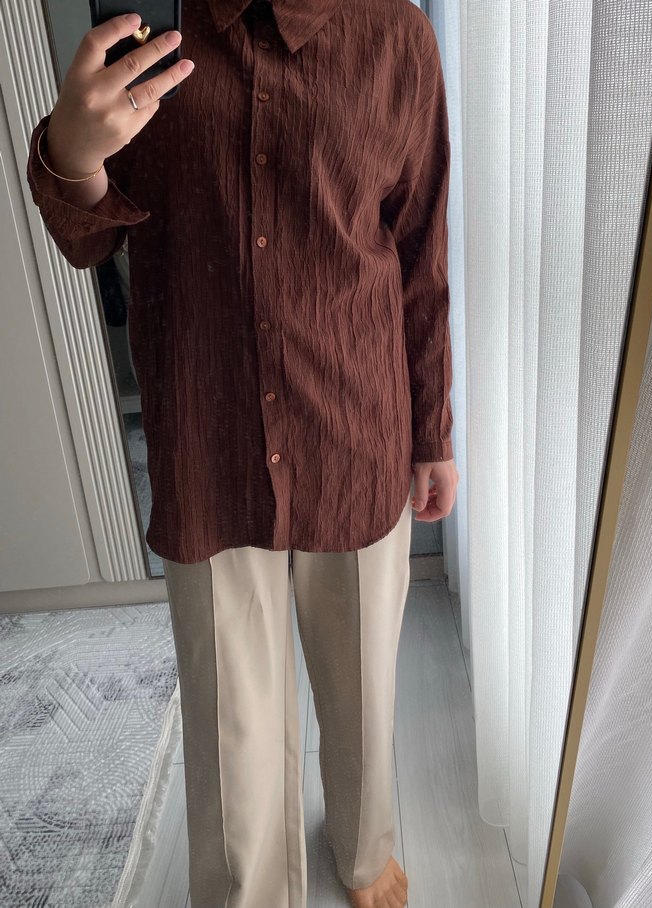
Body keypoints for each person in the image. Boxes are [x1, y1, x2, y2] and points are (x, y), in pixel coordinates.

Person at [26, 2, 458, 906]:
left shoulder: (396, 38)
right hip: (206, 431)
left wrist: (432, 431)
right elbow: (89, 241)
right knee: (229, 711)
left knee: (362, 686)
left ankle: (362, 848)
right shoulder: (154, 33)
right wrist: (72, 156)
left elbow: (419, 249)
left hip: (355, 424)